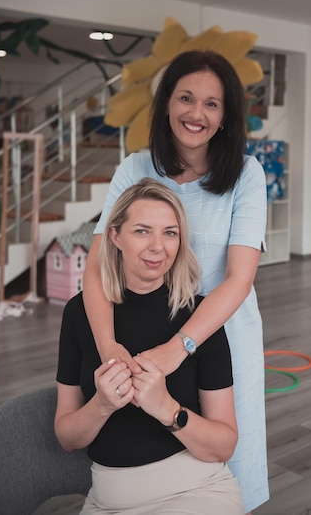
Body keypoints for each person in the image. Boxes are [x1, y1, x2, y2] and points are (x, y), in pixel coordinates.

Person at [83, 49, 269, 514]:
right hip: (141, 332)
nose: (196, 113)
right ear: (167, 103)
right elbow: (96, 264)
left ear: (226, 116)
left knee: (226, 451)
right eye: (186, 98)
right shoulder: (135, 167)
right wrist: (108, 345)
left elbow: (238, 278)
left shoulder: (246, 174)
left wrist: (179, 347)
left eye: (212, 103)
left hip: (220, 333)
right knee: (147, 447)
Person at [55, 178, 244, 515]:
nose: (158, 246)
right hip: (107, 501)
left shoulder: (199, 317)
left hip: (197, 491)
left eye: (170, 233)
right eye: (142, 231)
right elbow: (67, 437)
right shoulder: (79, 314)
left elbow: (225, 445)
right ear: (115, 236)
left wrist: (167, 408)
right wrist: (101, 404)